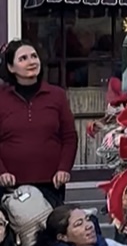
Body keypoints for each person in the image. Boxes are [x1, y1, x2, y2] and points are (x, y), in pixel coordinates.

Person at [0, 40, 78, 207]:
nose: (31, 62)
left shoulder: (56, 95)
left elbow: (69, 137)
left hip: (51, 184)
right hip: (10, 186)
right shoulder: (1, 98)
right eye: (23, 58)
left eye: (34, 56)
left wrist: (64, 168)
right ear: (10, 67)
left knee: (49, 231)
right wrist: (2, 172)